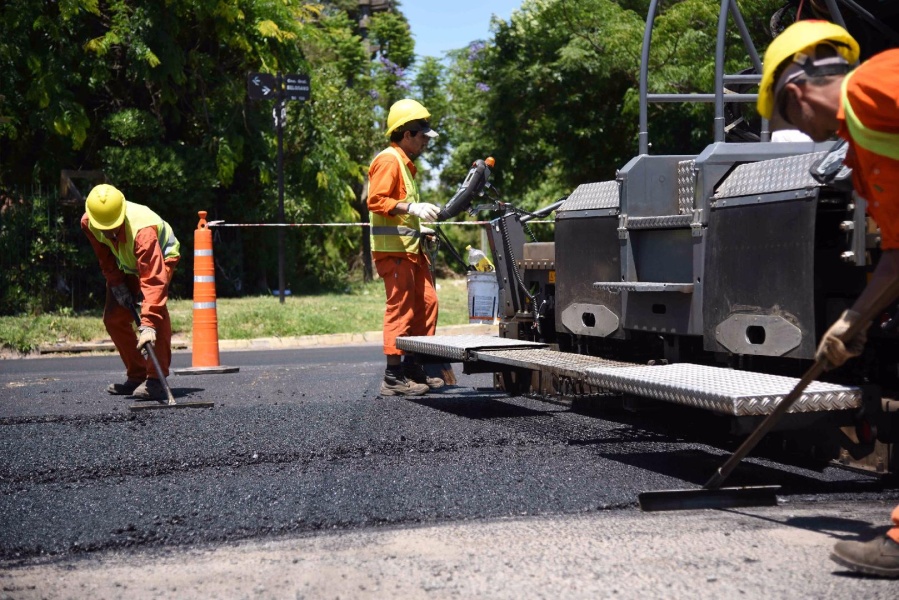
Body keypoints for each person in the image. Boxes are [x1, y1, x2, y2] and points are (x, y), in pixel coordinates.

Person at [758, 19, 899, 578]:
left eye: (793, 122)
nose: (808, 135)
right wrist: (853, 321)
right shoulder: (861, 145)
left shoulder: (878, 84)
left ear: (796, 95)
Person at [368, 98, 446, 396]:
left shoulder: (405, 164)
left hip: (411, 250)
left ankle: (414, 366)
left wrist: (419, 226)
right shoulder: (389, 160)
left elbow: (399, 211)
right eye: (422, 135)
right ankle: (393, 376)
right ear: (406, 133)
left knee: (427, 304)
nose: (426, 141)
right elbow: (377, 201)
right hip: (395, 253)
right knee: (401, 309)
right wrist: (413, 208)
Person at [81, 184, 181, 401]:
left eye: (113, 228)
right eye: (104, 228)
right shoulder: (89, 223)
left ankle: (156, 380)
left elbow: (153, 280)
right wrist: (117, 283)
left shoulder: (143, 232)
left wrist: (148, 324)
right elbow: (105, 256)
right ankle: (137, 375)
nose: (108, 233)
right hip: (128, 264)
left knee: (155, 315)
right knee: (114, 318)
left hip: (159, 259)